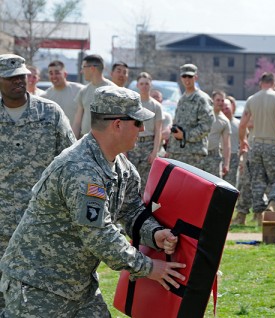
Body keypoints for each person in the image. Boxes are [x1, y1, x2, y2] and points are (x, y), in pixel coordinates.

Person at [0, 86, 186, 317]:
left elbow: (131, 210)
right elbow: (99, 235)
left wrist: (155, 233)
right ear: (117, 124)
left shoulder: (121, 166)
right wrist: (147, 267)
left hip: (79, 287)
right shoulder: (80, 168)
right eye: (137, 123)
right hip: (38, 285)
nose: (143, 129)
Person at [0, 53, 76, 312]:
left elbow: (71, 161)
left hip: (39, 226)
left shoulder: (50, 113)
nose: (18, 81)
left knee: (37, 300)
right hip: (1, 224)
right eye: (10, 78)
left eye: (21, 76)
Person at [238, 72, 275, 224]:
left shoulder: (252, 99)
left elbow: (243, 123)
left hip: (255, 144)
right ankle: (272, 203)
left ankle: (258, 215)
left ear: (260, 83)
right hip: (273, 144)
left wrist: (243, 140)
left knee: (257, 180)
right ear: (274, 83)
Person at [167, 64, 214, 170]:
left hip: (193, 154)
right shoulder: (182, 98)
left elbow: (207, 125)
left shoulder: (201, 99)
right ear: (181, 78)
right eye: (184, 77)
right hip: (177, 151)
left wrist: (185, 135)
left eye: (190, 77)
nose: (187, 80)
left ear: (196, 77)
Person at [127, 72, 163, 193]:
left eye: (147, 83)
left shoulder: (156, 106)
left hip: (148, 145)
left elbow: (158, 131)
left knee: (146, 183)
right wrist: (124, 151)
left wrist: (155, 152)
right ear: (137, 85)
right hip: (132, 145)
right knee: (130, 181)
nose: (144, 86)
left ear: (150, 85)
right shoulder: (132, 105)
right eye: (141, 83)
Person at [72, 54, 115, 138]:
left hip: (106, 141)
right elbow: (77, 122)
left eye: (83, 67)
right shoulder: (83, 91)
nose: (81, 71)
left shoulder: (113, 90)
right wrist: (73, 143)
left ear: (92, 68)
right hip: (85, 140)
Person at [41, 60, 85, 125]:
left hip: (77, 134)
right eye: (51, 73)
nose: (54, 76)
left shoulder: (80, 90)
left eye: (57, 73)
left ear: (65, 74)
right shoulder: (45, 97)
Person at [204, 90, 231, 177]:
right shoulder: (204, 113)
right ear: (212, 100)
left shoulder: (224, 120)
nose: (220, 103)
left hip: (214, 156)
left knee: (214, 184)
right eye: (218, 100)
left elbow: (227, 144)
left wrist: (226, 163)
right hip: (200, 153)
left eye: (222, 100)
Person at [223, 96, 240, 187]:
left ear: (232, 107)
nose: (225, 110)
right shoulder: (218, 122)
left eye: (227, 108)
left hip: (233, 157)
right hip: (219, 156)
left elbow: (243, 141)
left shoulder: (238, 124)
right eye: (223, 108)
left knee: (230, 185)